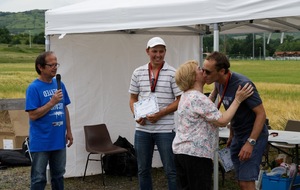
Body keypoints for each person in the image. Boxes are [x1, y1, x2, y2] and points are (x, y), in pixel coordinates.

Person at [172, 60, 253, 190]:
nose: (203, 70)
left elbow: (203, 110)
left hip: (181, 152)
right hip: (197, 155)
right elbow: (222, 121)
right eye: (199, 69)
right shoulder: (198, 98)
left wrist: (214, 92)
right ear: (193, 77)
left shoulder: (186, 96)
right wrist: (238, 99)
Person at [203, 51, 269, 190]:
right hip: (237, 135)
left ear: (221, 71)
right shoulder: (218, 83)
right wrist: (232, 134)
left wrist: (250, 143)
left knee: (246, 182)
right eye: (203, 70)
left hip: (252, 136)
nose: (204, 75)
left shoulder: (243, 85)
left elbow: (261, 115)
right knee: (240, 181)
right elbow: (233, 110)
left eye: (208, 72)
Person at [129, 37, 182, 190]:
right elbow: (132, 98)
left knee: (171, 171)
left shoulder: (173, 73)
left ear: (165, 52)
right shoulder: (138, 72)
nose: (158, 55)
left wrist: (160, 113)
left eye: (161, 51)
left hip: (165, 130)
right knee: (143, 170)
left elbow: (180, 100)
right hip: (142, 130)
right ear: (147, 52)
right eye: (154, 51)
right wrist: (136, 114)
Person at [25, 51, 73, 190]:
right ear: (40, 67)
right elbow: (33, 115)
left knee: (58, 176)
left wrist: (69, 131)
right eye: (51, 65)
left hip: (58, 140)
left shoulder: (59, 84)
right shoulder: (33, 88)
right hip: (41, 141)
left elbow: (64, 108)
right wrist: (51, 102)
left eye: (56, 64)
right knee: (39, 178)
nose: (55, 67)